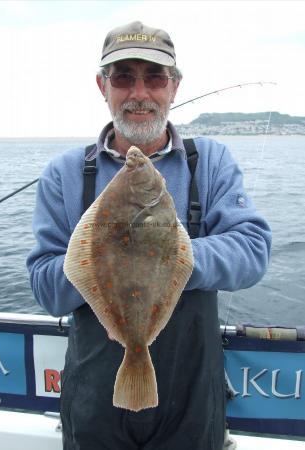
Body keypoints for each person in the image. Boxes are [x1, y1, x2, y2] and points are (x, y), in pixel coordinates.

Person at [27, 21, 271, 450]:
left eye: (154, 77)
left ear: (174, 86)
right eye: (123, 77)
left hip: (191, 400)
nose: (139, 93)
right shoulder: (63, 174)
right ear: (102, 86)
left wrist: (168, 257)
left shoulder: (209, 162)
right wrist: (102, 268)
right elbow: (46, 288)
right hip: (93, 403)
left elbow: (252, 251)